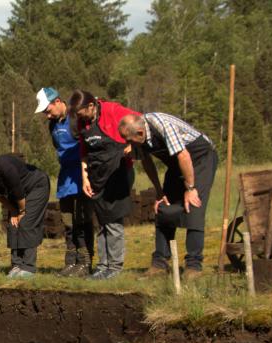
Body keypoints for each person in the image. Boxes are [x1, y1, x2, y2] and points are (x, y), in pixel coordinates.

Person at [119, 113, 218, 279]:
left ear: (140, 134)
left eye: (128, 140)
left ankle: (194, 266)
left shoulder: (162, 125)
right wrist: (159, 191)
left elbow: (183, 155)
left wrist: (190, 188)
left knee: (193, 206)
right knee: (163, 207)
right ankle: (159, 264)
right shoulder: (139, 135)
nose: (127, 145)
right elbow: (147, 163)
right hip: (177, 164)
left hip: (200, 158)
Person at [69, 90, 139, 280]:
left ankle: (115, 267)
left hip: (118, 172)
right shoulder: (83, 122)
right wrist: (85, 178)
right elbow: (84, 152)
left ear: (91, 106)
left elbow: (141, 123)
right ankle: (102, 266)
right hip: (96, 177)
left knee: (113, 221)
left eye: (81, 113)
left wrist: (132, 145)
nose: (79, 118)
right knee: (101, 221)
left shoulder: (112, 110)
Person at [36, 87, 94, 277]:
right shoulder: (52, 125)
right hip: (65, 177)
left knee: (83, 220)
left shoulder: (76, 119)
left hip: (82, 174)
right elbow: (57, 147)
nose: (47, 115)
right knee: (68, 221)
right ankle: (70, 262)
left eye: (48, 110)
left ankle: (85, 262)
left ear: (58, 102)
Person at [0, 150, 50, 278]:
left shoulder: (6, 167)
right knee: (13, 224)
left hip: (36, 187)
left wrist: (22, 212)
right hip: (18, 194)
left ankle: (28, 268)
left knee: (26, 222)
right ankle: (16, 265)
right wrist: (13, 211)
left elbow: (19, 193)